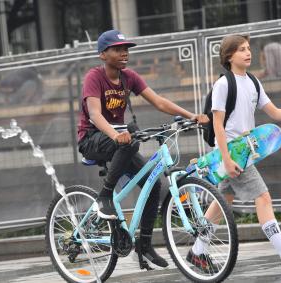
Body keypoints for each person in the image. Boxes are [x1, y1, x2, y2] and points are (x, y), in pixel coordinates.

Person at [77, 29, 208, 268]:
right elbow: (95, 115)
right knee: (130, 141)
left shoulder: (129, 77)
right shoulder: (94, 77)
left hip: (120, 141)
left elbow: (158, 101)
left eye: (126, 49)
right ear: (103, 55)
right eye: (118, 49)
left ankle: (145, 245)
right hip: (93, 138)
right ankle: (105, 196)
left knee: (154, 184)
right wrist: (117, 135)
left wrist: (192, 116)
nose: (124, 53)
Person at [188, 34, 281, 274]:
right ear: (229, 56)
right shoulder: (223, 84)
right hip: (233, 154)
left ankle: (197, 252)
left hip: (242, 152)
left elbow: (274, 112)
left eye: (248, 49)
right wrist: (226, 159)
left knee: (221, 202)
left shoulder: (254, 82)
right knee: (263, 197)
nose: (248, 53)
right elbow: (217, 124)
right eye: (242, 50)